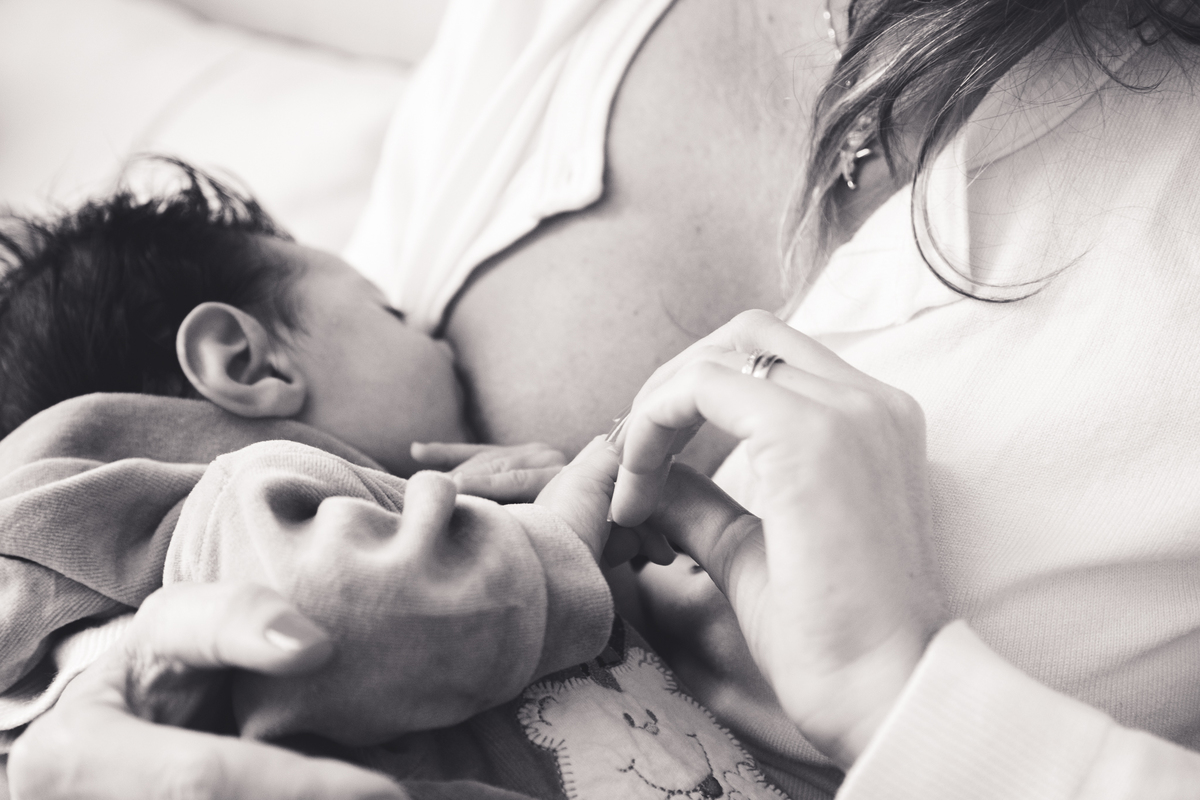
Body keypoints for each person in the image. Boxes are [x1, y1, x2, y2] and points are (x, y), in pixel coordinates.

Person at [10, 0, 1200, 796]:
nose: (421, 323)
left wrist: (907, 691)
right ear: (242, 365)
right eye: (389, 308)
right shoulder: (257, 494)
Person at [0, 164, 785, 799]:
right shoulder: (238, 497)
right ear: (249, 364)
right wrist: (555, 536)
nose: (437, 338)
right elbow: (327, 611)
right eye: (392, 313)